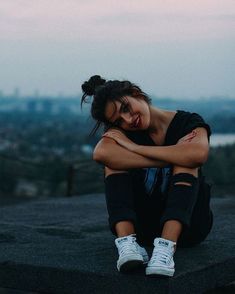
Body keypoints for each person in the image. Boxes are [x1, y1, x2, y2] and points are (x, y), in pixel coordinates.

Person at [81, 75, 213, 277]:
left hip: (190, 226)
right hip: (143, 230)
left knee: (187, 164)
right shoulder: (121, 133)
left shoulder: (187, 122)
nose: (127, 120)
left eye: (125, 108)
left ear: (137, 94)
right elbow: (101, 154)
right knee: (114, 164)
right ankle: (127, 246)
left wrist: (135, 148)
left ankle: (166, 249)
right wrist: (173, 156)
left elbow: (198, 154)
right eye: (118, 121)